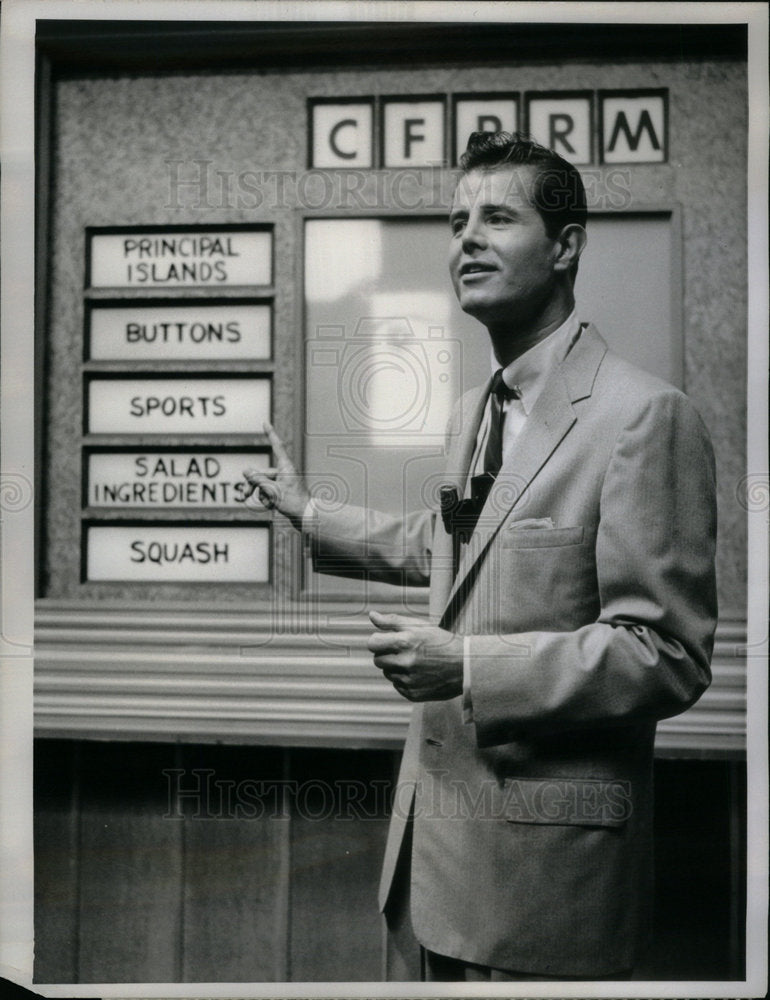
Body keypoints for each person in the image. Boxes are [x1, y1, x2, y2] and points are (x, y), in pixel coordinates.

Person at [239, 132, 718, 982]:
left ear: (566, 245)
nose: (466, 238)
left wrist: (468, 666)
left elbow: (666, 657)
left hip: (543, 890)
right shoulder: (476, 409)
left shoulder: (645, 416)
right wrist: (310, 513)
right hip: (431, 871)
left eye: (498, 216)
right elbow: (458, 547)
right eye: (457, 220)